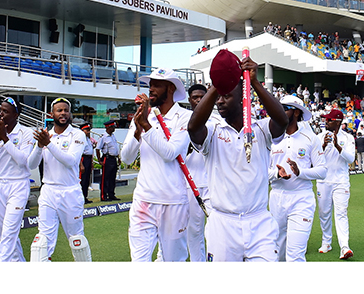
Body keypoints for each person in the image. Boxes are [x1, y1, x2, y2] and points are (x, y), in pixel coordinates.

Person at [188, 49, 288, 261]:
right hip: (222, 225)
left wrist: (255, 83)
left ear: (242, 94)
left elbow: (282, 122)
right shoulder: (213, 131)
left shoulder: (260, 129)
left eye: (226, 95)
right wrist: (218, 84)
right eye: (218, 96)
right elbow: (193, 128)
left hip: (259, 222)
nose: (220, 101)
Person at [121, 68, 191, 261]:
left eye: (156, 84)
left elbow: (170, 153)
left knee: (172, 263)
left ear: (170, 88)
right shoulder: (143, 116)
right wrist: (137, 131)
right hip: (144, 200)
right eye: (149, 84)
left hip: (173, 201)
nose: (150, 89)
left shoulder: (185, 117)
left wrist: (146, 126)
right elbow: (126, 159)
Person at [28, 97, 91, 261]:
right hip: (48, 191)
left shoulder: (77, 134)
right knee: (41, 243)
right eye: (59, 110)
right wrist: (40, 146)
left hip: (70, 192)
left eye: (66, 110)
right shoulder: (46, 136)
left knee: (77, 241)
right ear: (51, 113)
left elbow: (70, 161)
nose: (63, 113)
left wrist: (48, 144)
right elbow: (31, 164)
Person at [268, 94, 326, 261]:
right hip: (277, 198)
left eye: (284, 109)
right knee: (276, 253)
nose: (279, 112)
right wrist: (277, 175)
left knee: (295, 255)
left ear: (296, 113)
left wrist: (301, 172)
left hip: (302, 199)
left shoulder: (310, 138)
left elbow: (323, 171)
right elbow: (262, 171)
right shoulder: (271, 137)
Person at [0, 97, 34, 261]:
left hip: (18, 185)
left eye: (5, 111)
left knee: (9, 231)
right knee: (4, 232)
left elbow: (23, 160)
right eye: (0, 110)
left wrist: (6, 139)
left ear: (16, 114)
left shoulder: (26, 133)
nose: (1, 114)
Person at [316, 108, 356, 259]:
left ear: (338, 122)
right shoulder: (319, 137)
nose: (326, 121)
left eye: (329, 120)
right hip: (323, 180)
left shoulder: (348, 138)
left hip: (341, 181)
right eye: (326, 119)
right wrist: (324, 146)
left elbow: (351, 159)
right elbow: (315, 159)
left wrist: (338, 147)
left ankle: (344, 247)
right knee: (324, 213)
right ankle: (326, 242)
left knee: (341, 213)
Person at [185, 83, 210, 262]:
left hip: (214, 184)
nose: (199, 100)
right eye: (195, 98)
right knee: (194, 231)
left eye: (203, 97)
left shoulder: (217, 121)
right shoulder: (183, 121)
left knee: (216, 229)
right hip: (191, 184)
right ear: (190, 100)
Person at [96, 119, 120, 201]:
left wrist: (118, 158)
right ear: (108, 127)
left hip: (113, 159)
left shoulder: (113, 136)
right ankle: (104, 196)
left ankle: (111, 194)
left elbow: (115, 148)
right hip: (107, 158)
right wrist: (99, 160)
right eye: (113, 127)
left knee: (112, 178)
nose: (114, 129)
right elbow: (97, 148)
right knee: (105, 178)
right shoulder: (103, 137)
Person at [79, 123, 94, 204]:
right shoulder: (81, 139)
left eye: (89, 130)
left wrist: (91, 162)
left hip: (88, 159)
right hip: (83, 159)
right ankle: (81, 198)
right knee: (82, 179)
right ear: (82, 131)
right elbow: (79, 153)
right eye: (87, 130)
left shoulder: (88, 139)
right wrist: (81, 164)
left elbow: (90, 151)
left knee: (87, 179)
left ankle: (85, 196)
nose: (88, 132)